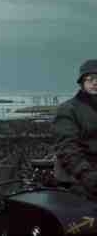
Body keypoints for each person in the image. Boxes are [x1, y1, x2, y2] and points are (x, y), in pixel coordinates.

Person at [54, 59, 97, 196]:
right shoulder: (68, 109)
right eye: (90, 79)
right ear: (82, 83)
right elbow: (67, 148)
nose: (95, 82)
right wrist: (88, 177)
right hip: (75, 178)